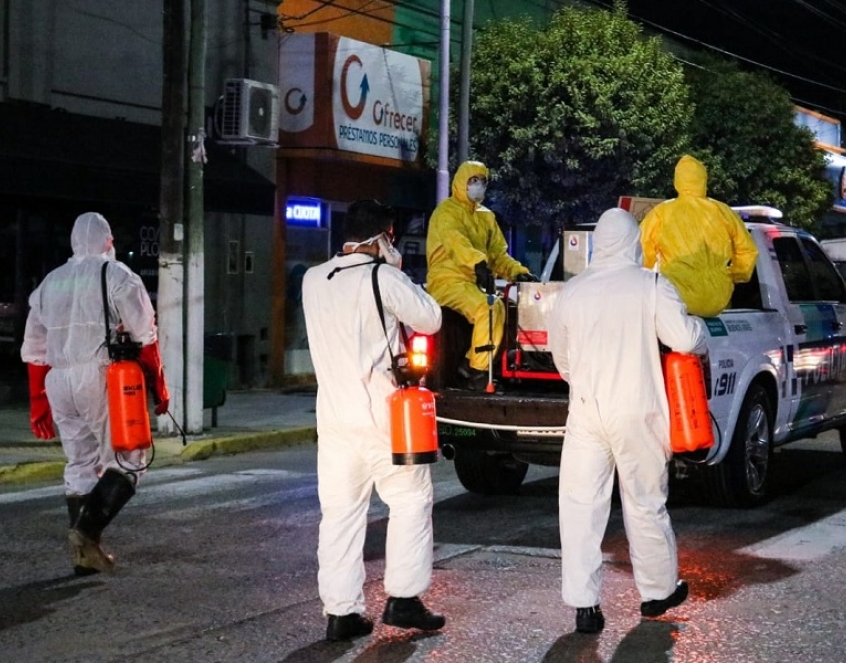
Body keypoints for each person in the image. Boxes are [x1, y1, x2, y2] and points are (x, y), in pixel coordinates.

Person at [547, 208, 708, 633]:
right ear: (635, 243)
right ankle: (656, 593)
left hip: (585, 410)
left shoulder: (573, 291)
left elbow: (560, 357)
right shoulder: (650, 285)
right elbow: (686, 338)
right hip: (639, 410)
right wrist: (701, 329)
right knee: (644, 502)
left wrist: (584, 381)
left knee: (580, 508)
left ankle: (584, 606)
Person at [302, 199, 446, 642]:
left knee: (341, 515)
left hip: (334, 420)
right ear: (382, 237)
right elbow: (431, 317)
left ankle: (341, 613)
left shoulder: (312, 279)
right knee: (409, 502)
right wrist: (396, 269)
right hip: (385, 419)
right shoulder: (383, 276)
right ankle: (403, 599)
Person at [21, 211, 169, 576]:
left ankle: (85, 556)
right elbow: (145, 336)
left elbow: (34, 349)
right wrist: (158, 387)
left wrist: (38, 401)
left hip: (58, 382)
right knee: (131, 458)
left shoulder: (49, 283)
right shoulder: (117, 275)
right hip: (101, 377)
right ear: (108, 241)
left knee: (80, 463)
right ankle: (87, 533)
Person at [426, 160, 537, 390]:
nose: (478, 186)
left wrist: (518, 273)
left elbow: (498, 254)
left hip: (474, 282)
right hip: (448, 281)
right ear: (460, 183)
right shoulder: (446, 213)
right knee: (488, 308)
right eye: (473, 181)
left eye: (482, 181)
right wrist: (478, 264)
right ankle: (475, 371)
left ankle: (484, 365)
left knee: (509, 309)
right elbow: (457, 244)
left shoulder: (486, 217)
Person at [640, 154, 758, 317]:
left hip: (676, 295)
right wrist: (736, 275)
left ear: (677, 180)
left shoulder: (661, 212)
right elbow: (747, 250)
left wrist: (644, 279)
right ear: (703, 179)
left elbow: (641, 250)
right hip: (718, 297)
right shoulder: (722, 211)